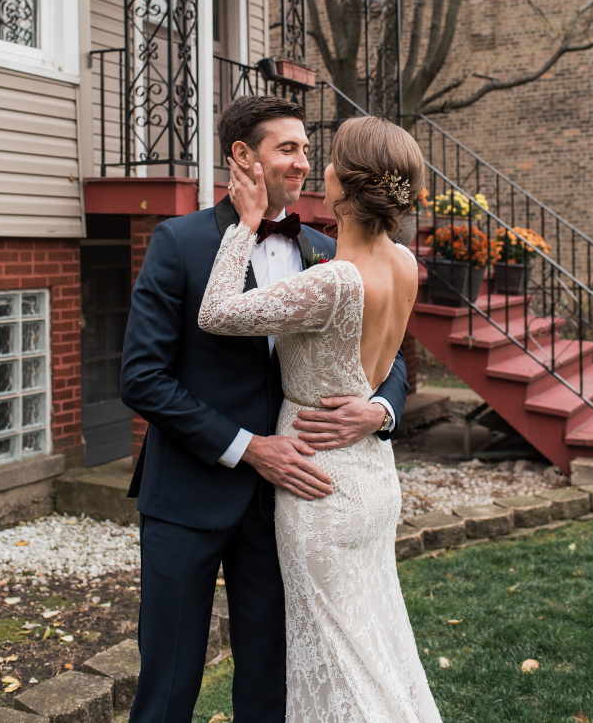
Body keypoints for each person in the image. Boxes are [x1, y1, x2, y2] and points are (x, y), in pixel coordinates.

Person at [120, 96, 409, 722]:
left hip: (285, 507)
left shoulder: (325, 251)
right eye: (289, 149)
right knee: (168, 684)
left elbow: (386, 356)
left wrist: (379, 410)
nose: (304, 163)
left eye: (309, 150)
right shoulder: (180, 241)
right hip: (188, 497)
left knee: (272, 683)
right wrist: (249, 446)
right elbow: (141, 378)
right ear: (243, 157)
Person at [199, 115, 439, 721]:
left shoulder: (334, 280)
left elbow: (217, 313)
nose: (316, 167)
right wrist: (378, 409)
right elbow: (385, 362)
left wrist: (246, 223)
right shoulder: (405, 263)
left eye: (326, 158)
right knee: (376, 642)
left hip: (319, 487)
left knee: (338, 658)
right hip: (372, 477)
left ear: (348, 185)